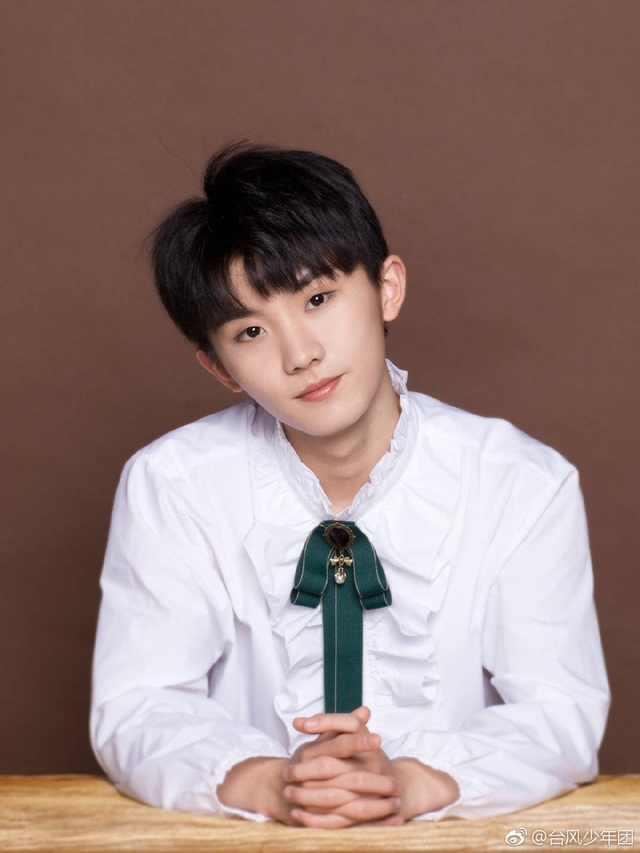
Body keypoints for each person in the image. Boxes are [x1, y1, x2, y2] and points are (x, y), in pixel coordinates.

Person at [90, 143, 610, 828]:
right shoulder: (173, 483)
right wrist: (270, 782)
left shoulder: (521, 482)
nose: (301, 353)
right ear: (218, 367)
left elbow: (560, 711)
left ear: (387, 288)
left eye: (318, 299)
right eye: (251, 330)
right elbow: (137, 704)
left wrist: (416, 783)